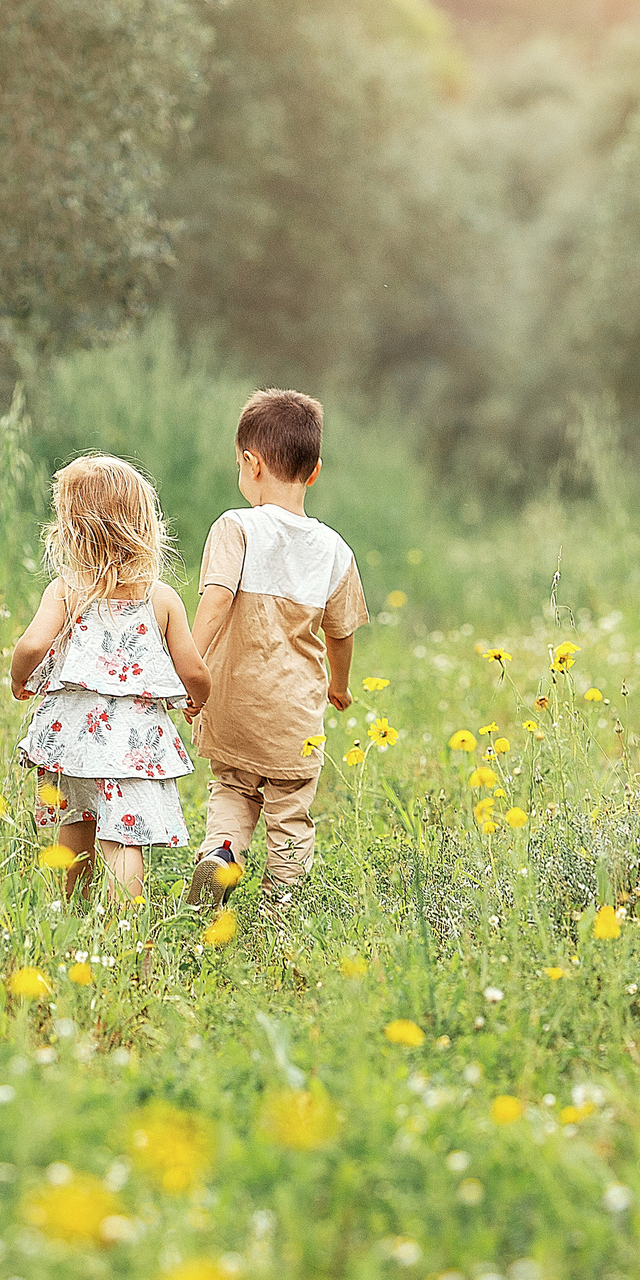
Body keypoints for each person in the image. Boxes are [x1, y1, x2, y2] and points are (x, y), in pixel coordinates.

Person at [184, 388, 368, 910]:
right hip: (294, 717)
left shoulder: (234, 527)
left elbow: (215, 605)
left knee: (233, 790)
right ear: (314, 473)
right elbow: (341, 632)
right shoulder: (335, 550)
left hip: (232, 705)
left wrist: (187, 672)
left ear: (251, 462)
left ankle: (221, 855)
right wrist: (340, 685)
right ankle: (281, 903)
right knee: (289, 810)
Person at [9, 454, 212, 903]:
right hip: (133, 744)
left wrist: (19, 678)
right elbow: (194, 669)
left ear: (70, 532)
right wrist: (196, 698)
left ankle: (74, 909)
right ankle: (124, 924)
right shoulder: (160, 598)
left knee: (75, 821)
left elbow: (30, 646)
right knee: (123, 837)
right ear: (144, 528)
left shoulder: (65, 590)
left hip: (73, 739)